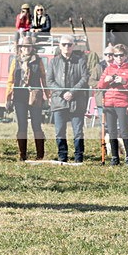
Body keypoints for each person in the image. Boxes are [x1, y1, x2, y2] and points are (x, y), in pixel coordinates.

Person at [5, 37, 50, 161]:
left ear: (32, 48)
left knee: (37, 126)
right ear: (20, 48)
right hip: (19, 97)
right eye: (24, 47)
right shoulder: (16, 61)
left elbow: (44, 79)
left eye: (28, 46)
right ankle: (22, 155)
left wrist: (48, 95)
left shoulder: (38, 61)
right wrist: (8, 98)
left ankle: (40, 155)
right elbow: (10, 80)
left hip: (35, 96)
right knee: (22, 126)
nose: (26, 49)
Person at [47, 34, 89, 163]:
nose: (66, 47)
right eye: (64, 44)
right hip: (59, 102)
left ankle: (78, 157)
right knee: (60, 132)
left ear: (73, 46)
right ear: (59, 46)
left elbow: (85, 78)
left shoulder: (81, 60)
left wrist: (72, 92)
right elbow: (49, 80)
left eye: (69, 44)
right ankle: (62, 156)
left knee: (78, 132)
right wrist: (63, 92)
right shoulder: (53, 62)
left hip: (76, 101)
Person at [96, 43, 128, 166]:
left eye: (121, 55)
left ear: (126, 56)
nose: (118, 58)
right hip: (109, 103)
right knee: (112, 131)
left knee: (124, 132)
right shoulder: (109, 69)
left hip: (123, 103)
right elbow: (99, 86)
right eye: (116, 55)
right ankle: (115, 157)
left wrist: (124, 82)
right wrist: (106, 80)